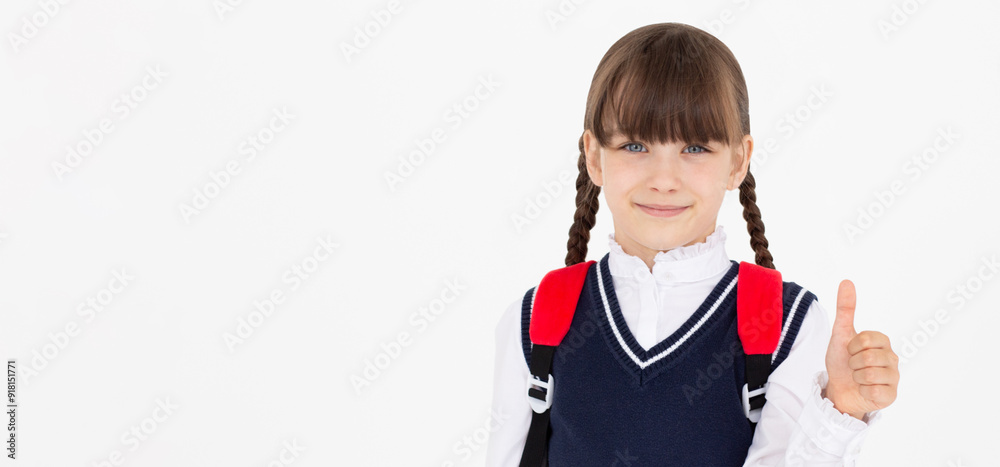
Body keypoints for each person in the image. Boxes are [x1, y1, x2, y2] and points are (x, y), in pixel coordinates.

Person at [485, 22, 900, 466]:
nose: (664, 180)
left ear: (738, 161)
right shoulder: (533, 321)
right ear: (593, 156)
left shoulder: (788, 324)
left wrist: (840, 409)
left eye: (695, 148)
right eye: (635, 145)